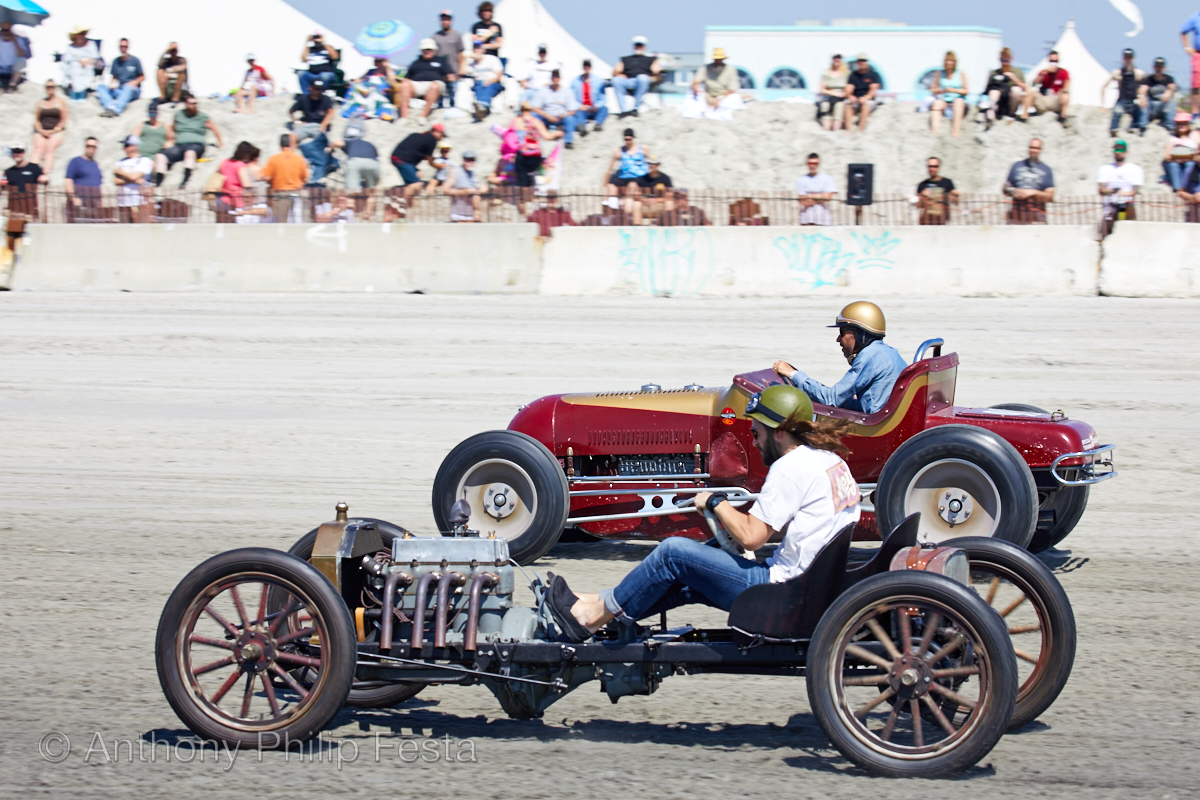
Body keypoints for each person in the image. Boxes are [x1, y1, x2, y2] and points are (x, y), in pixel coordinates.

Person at [542, 385, 861, 643]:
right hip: (810, 586)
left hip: (781, 593)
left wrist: (714, 502)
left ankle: (590, 617)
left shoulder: (790, 468)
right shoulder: (829, 462)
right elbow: (795, 528)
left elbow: (752, 538)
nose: (755, 441)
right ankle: (598, 604)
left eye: (757, 433)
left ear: (778, 432)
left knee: (673, 553)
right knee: (691, 570)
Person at [772, 302, 908, 414]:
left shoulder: (869, 356)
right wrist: (815, 392)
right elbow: (857, 404)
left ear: (860, 334)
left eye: (842, 332)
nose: (838, 339)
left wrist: (793, 374)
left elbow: (830, 399)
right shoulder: (888, 352)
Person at [155, 96, 224, 188]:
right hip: (179, 145)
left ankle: (185, 181)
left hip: (196, 145)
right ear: (186, 104)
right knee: (160, 156)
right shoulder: (179, 114)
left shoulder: (202, 117)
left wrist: (220, 143)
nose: (194, 106)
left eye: (195, 103)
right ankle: (158, 183)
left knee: (190, 153)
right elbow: (172, 128)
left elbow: (215, 128)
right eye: (191, 103)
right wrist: (170, 140)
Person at [508, 102, 561, 191]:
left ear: (521, 109)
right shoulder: (536, 121)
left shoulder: (514, 121)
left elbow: (509, 136)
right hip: (534, 156)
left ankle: (524, 195)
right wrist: (557, 133)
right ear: (531, 110)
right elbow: (546, 136)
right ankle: (534, 186)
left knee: (522, 178)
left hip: (521, 154)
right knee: (537, 172)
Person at [400, 39, 456, 120]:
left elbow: (449, 75)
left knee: (434, 86)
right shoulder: (416, 63)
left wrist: (450, 78)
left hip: (435, 84)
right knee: (405, 85)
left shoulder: (441, 61)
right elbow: (407, 77)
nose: (427, 51)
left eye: (429, 49)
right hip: (418, 85)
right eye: (425, 50)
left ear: (434, 50)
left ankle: (423, 116)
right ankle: (404, 117)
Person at [1003, 138, 1055, 224]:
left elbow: (1050, 196)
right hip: (1016, 217)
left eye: (1036, 148)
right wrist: (1016, 192)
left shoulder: (1046, 170)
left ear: (1040, 150)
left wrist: (1033, 193)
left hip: (1037, 219)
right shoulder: (1016, 166)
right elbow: (1005, 189)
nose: (1033, 150)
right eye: (1031, 147)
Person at [1097, 139, 1143, 235]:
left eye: (1121, 150)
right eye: (1116, 150)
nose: (1118, 152)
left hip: (1126, 206)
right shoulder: (1104, 169)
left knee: (1128, 232)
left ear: (1126, 152)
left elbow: (1135, 191)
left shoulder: (1135, 169)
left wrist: (1122, 193)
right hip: (1110, 207)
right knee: (1108, 233)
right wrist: (1109, 191)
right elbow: (1101, 190)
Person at [261, 133, 309, 223]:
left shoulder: (274, 159)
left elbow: (266, 177)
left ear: (280, 145)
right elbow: (306, 178)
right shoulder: (299, 159)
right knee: (298, 221)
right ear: (291, 144)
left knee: (280, 223)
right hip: (296, 193)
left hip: (280, 195)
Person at [391, 123, 445, 199]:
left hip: (398, 157)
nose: (441, 138)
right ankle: (399, 204)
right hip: (403, 160)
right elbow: (430, 161)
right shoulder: (432, 139)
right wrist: (439, 166)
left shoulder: (421, 135)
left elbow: (421, 154)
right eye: (442, 135)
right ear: (436, 131)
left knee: (418, 174)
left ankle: (397, 195)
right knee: (417, 184)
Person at [612, 36, 660, 118]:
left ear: (644, 46)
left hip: (643, 81)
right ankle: (624, 110)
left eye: (640, 45)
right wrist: (620, 75)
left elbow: (657, 71)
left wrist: (654, 76)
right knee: (616, 80)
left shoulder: (650, 59)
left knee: (642, 78)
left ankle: (635, 108)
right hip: (629, 81)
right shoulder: (626, 59)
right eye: (637, 45)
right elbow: (615, 71)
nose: (638, 47)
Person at [1103, 48, 1146, 137]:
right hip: (1122, 99)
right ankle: (1113, 130)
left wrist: (1142, 97)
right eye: (1126, 57)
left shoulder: (1139, 73)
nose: (1128, 60)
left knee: (1141, 111)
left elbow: (1144, 87)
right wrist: (1103, 105)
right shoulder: (1117, 73)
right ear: (1123, 58)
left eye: (1129, 58)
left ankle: (1136, 128)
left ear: (1133, 59)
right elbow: (1104, 87)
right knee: (1117, 112)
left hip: (1134, 99)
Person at [215, 141, 261, 221]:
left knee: (223, 222)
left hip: (222, 197)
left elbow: (218, 175)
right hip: (236, 200)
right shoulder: (241, 165)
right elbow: (246, 185)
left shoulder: (224, 162)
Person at [97, 38, 144, 117]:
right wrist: (112, 84)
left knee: (127, 87)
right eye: (121, 46)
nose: (123, 48)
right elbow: (115, 77)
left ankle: (116, 110)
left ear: (128, 47)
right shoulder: (116, 61)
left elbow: (142, 76)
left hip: (132, 89)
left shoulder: (135, 60)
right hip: (120, 89)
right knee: (101, 87)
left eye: (125, 46)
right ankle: (109, 106)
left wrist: (134, 82)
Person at [30, 80, 68, 176]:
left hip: (56, 130)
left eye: (51, 87)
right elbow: (37, 120)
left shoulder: (60, 102)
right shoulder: (41, 102)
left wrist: (53, 131)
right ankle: (32, 171)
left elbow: (63, 120)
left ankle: (45, 173)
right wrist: (41, 130)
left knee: (50, 148)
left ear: (55, 88)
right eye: (47, 87)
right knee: (38, 148)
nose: (49, 89)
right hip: (42, 130)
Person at [533, 70, 579, 147]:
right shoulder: (543, 90)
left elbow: (572, 111)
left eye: (557, 77)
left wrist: (564, 115)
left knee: (571, 119)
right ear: (551, 78)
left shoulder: (567, 91)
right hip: (546, 116)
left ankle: (568, 141)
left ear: (560, 78)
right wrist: (547, 116)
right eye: (554, 77)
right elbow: (535, 107)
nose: (555, 79)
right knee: (533, 116)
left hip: (560, 117)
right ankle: (534, 137)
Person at [983, 47, 1028, 128]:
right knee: (994, 93)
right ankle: (991, 116)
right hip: (998, 100)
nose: (1005, 63)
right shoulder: (994, 72)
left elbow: (1025, 87)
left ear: (1011, 59)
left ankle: (1011, 115)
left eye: (1006, 60)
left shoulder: (1017, 72)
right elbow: (987, 89)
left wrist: (1013, 78)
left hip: (1011, 101)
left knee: (1016, 90)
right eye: (1003, 60)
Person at [113, 135, 153, 223]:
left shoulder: (144, 160)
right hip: (123, 201)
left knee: (137, 223)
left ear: (134, 146)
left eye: (127, 145)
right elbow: (116, 181)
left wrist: (120, 172)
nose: (125, 148)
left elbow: (135, 176)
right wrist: (133, 179)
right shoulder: (120, 162)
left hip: (138, 200)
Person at [4, 143, 44, 230]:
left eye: (20, 151)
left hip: (31, 208)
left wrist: (44, 178)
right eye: (15, 152)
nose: (17, 154)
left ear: (24, 153)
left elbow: (43, 179)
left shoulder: (34, 168)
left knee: (31, 231)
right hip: (15, 210)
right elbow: (4, 187)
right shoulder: (9, 171)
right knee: (16, 232)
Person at [432, 9, 467, 108]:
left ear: (451, 21)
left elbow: (461, 54)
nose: (445, 21)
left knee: (453, 95)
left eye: (447, 19)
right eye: (443, 19)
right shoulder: (435, 37)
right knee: (440, 95)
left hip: (453, 70)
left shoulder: (457, 35)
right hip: (440, 72)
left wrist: (461, 70)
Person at [930, 51, 969, 138]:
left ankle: (955, 131)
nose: (949, 63)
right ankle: (934, 131)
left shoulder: (960, 73)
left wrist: (954, 90)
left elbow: (966, 91)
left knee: (958, 102)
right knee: (937, 104)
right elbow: (933, 88)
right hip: (945, 98)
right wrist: (938, 91)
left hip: (958, 99)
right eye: (947, 60)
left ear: (954, 62)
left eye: (951, 60)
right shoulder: (939, 73)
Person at [690, 47, 739, 112]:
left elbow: (732, 89)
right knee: (692, 94)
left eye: (719, 59)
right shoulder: (705, 68)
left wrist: (719, 99)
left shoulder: (730, 70)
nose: (718, 61)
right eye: (716, 59)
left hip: (724, 97)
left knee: (734, 98)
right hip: (708, 96)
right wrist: (695, 87)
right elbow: (696, 81)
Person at [1027, 51, 1070, 125]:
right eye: (1052, 61)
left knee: (1065, 94)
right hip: (1044, 101)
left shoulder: (1063, 72)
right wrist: (1045, 73)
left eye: (1055, 61)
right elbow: (1034, 84)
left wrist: (1064, 91)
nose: (1054, 63)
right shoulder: (1043, 72)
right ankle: (1025, 115)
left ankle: (1063, 117)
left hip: (1056, 101)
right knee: (1030, 92)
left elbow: (1067, 85)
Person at [63, 137, 102, 218]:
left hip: (93, 205)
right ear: (85, 147)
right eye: (88, 146)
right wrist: (73, 198)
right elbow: (68, 181)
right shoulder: (75, 161)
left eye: (93, 147)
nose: (91, 149)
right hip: (79, 204)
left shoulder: (96, 164)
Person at [794, 153, 836, 226]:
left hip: (823, 219)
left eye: (815, 163)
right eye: (810, 163)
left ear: (818, 164)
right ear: (807, 164)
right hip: (807, 219)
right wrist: (821, 196)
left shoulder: (827, 179)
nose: (812, 166)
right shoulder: (801, 180)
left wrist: (809, 196)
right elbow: (802, 201)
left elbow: (828, 197)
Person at [604, 128, 650, 194]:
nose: (627, 142)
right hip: (624, 176)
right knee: (611, 186)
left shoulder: (643, 148)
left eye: (629, 139)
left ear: (633, 138)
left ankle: (628, 201)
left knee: (632, 185)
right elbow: (609, 168)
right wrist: (605, 184)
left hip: (639, 176)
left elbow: (650, 162)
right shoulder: (619, 151)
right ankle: (612, 202)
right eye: (625, 139)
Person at [466, 42, 504, 122]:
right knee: (479, 85)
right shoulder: (471, 63)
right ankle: (482, 107)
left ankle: (482, 106)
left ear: (483, 50)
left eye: (479, 48)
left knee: (485, 86)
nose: (477, 50)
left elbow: (499, 76)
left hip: (493, 83)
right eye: (475, 48)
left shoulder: (492, 59)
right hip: (478, 83)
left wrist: (489, 81)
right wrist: (464, 58)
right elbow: (461, 72)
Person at [844, 54, 881, 133]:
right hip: (856, 99)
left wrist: (865, 98)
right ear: (857, 63)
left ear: (867, 62)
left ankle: (860, 130)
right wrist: (850, 96)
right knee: (848, 106)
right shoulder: (853, 75)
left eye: (864, 61)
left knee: (865, 106)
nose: (862, 62)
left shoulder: (873, 74)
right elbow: (849, 88)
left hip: (868, 99)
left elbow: (873, 90)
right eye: (860, 61)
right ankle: (848, 130)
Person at [916, 157, 958, 225]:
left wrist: (955, 195)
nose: (932, 169)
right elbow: (917, 206)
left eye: (935, 166)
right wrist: (922, 196)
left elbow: (956, 203)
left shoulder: (947, 182)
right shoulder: (922, 184)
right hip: (927, 222)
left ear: (939, 168)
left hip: (943, 222)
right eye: (930, 166)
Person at [572, 60, 609, 135]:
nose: (586, 68)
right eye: (585, 66)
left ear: (590, 68)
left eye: (588, 66)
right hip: (583, 109)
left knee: (604, 109)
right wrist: (580, 106)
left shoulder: (598, 81)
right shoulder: (575, 81)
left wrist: (596, 106)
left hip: (594, 108)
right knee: (578, 112)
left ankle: (598, 124)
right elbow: (572, 98)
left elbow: (603, 98)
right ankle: (582, 126)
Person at [62, 25, 98, 101]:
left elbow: (95, 56)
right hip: (75, 65)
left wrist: (89, 61)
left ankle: (82, 92)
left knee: (87, 69)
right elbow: (67, 58)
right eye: (80, 34)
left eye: (83, 33)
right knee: (75, 67)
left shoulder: (91, 44)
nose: (81, 36)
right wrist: (78, 60)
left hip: (88, 64)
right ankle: (75, 92)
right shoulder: (71, 47)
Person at [1164, 113, 1199, 191]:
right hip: (1175, 161)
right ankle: (1178, 189)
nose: (1181, 125)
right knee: (1173, 165)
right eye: (1179, 124)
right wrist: (1177, 159)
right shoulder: (1172, 137)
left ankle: (1185, 188)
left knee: (1190, 165)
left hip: (1191, 160)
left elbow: (1198, 152)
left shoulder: (1194, 135)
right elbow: (1166, 156)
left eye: (1184, 123)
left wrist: (1189, 158)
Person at [1142, 58, 1178, 130]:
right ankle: (1142, 126)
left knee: (1172, 99)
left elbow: (1172, 87)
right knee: (1142, 99)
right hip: (1151, 106)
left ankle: (1170, 126)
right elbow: (1142, 89)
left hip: (1163, 106)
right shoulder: (1148, 79)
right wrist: (1141, 96)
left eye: (1160, 67)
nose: (1158, 69)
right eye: (1157, 67)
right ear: (1154, 67)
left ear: (1164, 68)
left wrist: (1168, 93)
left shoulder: (1169, 79)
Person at [447, 150, 482, 222]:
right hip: (458, 214)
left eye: (472, 160)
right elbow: (446, 189)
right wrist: (464, 191)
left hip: (471, 215)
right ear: (463, 160)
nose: (470, 162)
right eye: (468, 160)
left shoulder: (473, 173)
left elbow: (476, 192)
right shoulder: (455, 171)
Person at [815, 55, 849, 131]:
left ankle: (835, 130)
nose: (837, 59)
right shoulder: (826, 73)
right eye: (835, 58)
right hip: (828, 98)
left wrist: (843, 93)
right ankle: (827, 129)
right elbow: (822, 89)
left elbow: (848, 88)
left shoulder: (846, 73)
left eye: (839, 58)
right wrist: (834, 93)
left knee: (839, 107)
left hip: (840, 99)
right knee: (825, 106)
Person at [0, 22, 31, 92]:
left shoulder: (18, 39)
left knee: (21, 60)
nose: (5, 33)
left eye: (7, 30)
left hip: (13, 68)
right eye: (3, 30)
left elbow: (21, 54)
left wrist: (14, 41)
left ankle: (12, 85)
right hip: (1, 66)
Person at [1181, 10, 1200, 116]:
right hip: (1198, 54)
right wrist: (1187, 47)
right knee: (1196, 84)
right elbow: (1183, 31)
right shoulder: (1195, 18)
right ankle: (1195, 112)